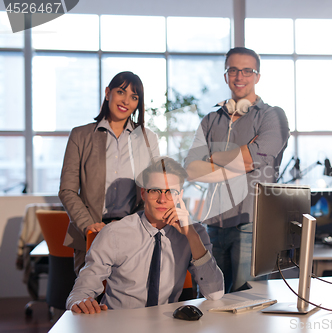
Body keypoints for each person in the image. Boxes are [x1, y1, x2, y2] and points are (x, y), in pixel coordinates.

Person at [184, 47, 290, 293]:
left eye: (247, 71)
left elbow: (258, 157)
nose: (239, 76)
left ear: (257, 77)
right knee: (210, 299)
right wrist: (243, 155)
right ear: (225, 75)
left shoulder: (272, 117)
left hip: (251, 223)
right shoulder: (210, 120)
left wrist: (212, 158)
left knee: (247, 301)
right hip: (213, 224)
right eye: (233, 70)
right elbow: (191, 169)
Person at [66, 156, 224, 313]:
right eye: (155, 190)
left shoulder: (195, 233)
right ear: (143, 193)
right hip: (121, 323)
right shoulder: (114, 233)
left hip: (168, 323)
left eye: (170, 192)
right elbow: (82, 290)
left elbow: (215, 294)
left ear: (179, 196)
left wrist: (191, 235)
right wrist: (80, 301)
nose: (162, 199)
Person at [59, 71, 159, 274]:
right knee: (91, 301)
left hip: (132, 233)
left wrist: (129, 224)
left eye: (134, 97)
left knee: (130, 300)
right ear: (107, 93)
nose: (126, 101)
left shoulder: (147, 139)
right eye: (121, 92)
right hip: (91, 233)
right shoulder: (80, 135)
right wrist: (89, 225)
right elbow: (67, 190)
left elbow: (153, 190)